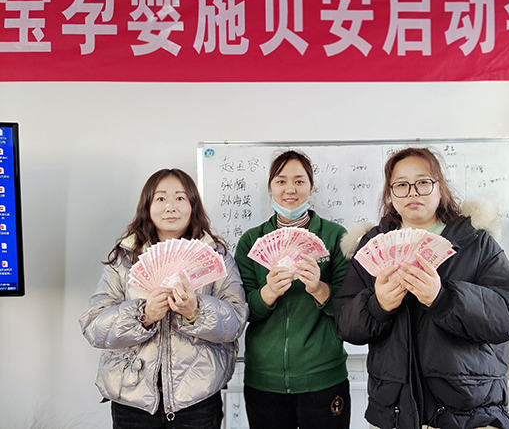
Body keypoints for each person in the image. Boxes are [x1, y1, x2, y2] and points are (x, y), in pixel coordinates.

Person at [333, 148, 509, 429]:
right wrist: (377, 306)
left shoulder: (477, 243)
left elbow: (505, 318)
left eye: (423, 182)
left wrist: (443, 298)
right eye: (401, 185)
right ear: (390, 193)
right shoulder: (371, 246)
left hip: (470, 411)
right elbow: (345, 325)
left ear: (439, 187)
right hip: (395, 411)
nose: (412, 193)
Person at [79, 168, 249, 429]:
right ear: (147, 206)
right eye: (160, 198)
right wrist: (143, 316)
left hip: (198, 399)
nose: (171, 206)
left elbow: (236, 320)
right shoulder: (125, 258)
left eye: (180, 198)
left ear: (193, 205)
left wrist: (196, 312)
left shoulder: (216, 256)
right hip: (132, 399)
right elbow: (94, 325)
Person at [234, 150, 351, 429]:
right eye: (281, 181)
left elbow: (350, 308)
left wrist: (319, 288)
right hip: (264, 380)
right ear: (270, 188)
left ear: (312, 186)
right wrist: (268, 293)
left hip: (324, 375)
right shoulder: (251, 240)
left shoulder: (336, 237)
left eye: (299, 181)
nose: (290, 189)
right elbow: (241, 309)